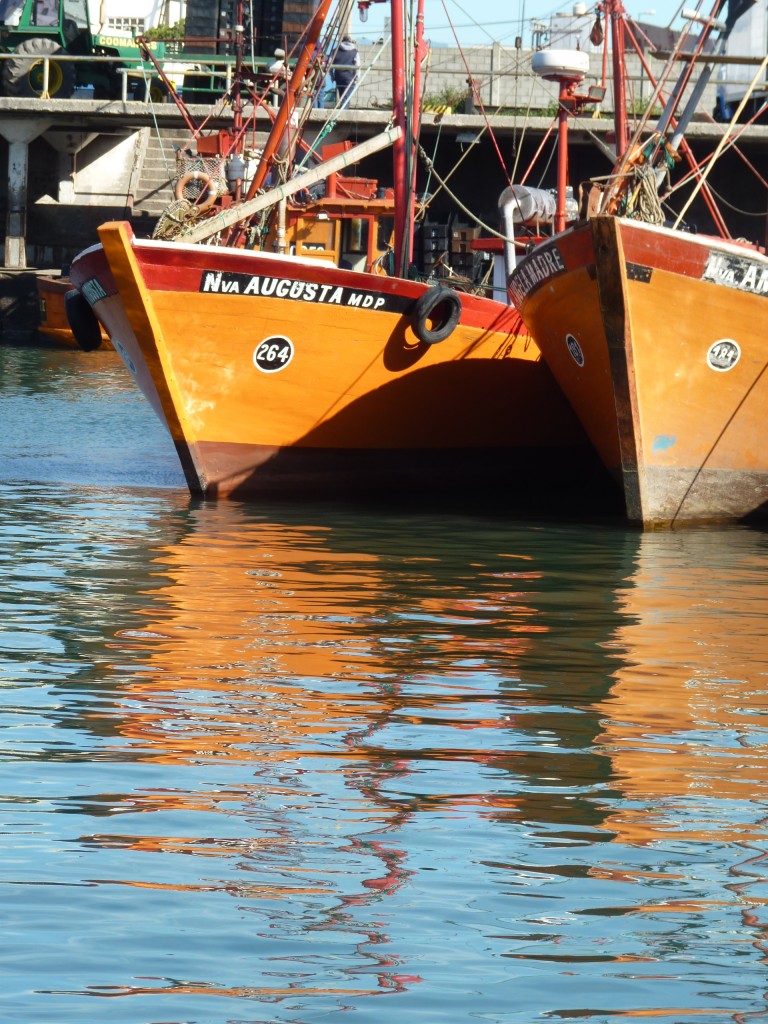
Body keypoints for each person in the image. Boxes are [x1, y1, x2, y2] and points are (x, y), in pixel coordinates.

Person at [331, 35, 359, 109]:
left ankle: (344, 110)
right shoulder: (355, 51)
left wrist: (332, 76)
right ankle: (342, 113)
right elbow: (357, 66)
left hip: (338, 76)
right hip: (350, 77)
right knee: (346, 98)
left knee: (343, 96)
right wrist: (357, 77)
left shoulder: (335, 50)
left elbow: (330, 65)